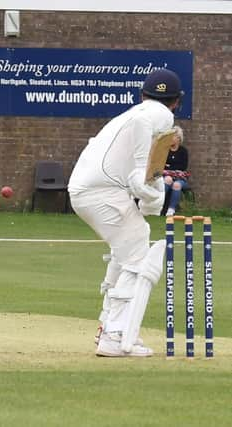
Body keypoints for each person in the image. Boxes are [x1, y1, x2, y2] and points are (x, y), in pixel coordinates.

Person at [68, 69, 184, 357]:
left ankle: (108, 327)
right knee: (136, 245)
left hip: (86, 189)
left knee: (127, 248)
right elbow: (141, 175)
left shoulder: (129, 116)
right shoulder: (159, 116)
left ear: (142, 94)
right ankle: (115, 334)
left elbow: (146, 173)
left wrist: (150, 200)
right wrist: (154, 197)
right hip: (101, 192)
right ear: (177, 102)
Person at [162, 126, 190, 216]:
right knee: (168, 179)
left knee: (177, 184)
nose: (170, 139)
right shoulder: (165, 150)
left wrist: (169, 167)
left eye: (173, 136)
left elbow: (183, 167)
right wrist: (171, 168)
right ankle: (159, 206)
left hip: (180, 178)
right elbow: (162, 165)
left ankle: (171, 210)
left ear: (178, 138)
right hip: (166, 176)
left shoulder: (183, 151)